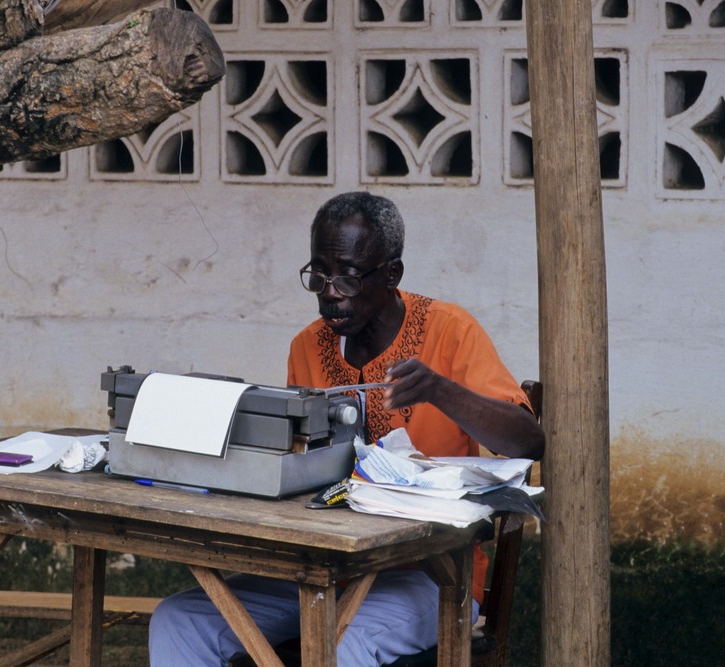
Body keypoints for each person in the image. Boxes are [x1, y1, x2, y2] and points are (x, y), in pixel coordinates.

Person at [147, 191, 545, 666]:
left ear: (391, 275)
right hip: (323, 569)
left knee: (343, 643)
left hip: (433, 576)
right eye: (318, 274)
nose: (330, 291)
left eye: (348, 277)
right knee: (180, 620)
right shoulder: (307, 347)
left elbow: (527, 441)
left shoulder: (451, 332)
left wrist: (440, 389)